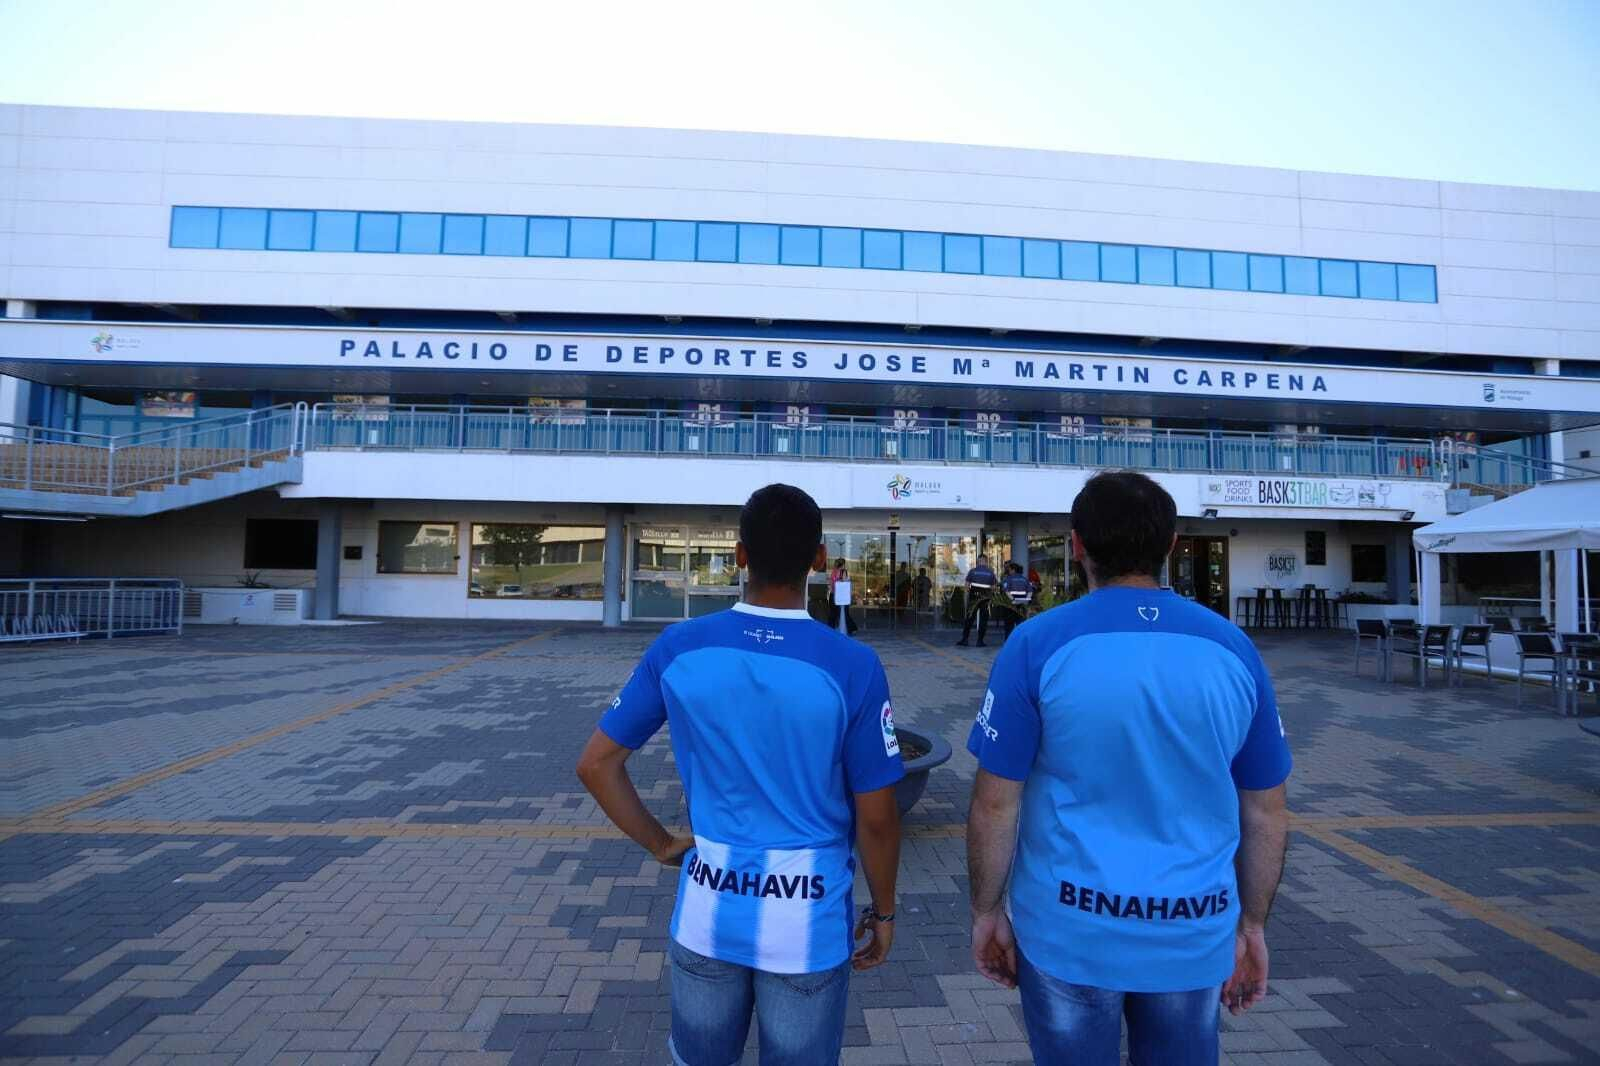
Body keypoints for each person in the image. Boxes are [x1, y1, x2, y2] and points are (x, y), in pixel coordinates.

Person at [964, 471, 1292, 1066]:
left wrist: (987, 911)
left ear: (1077, 546)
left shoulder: (1038, 644)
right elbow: (1265, 809)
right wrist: (1252, 924)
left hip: (1068, 929)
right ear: (1169, 547)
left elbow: (995, 803)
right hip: (1191, 931)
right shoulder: (1232, 649)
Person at [577, 484, 903, 1066]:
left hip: (708, 909)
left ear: (739, 555)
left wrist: (660, 843)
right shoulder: (852, 664)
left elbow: (597, 764)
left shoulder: (679, 646)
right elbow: (877, 818)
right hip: (806, 920)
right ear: (820, 560)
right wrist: (883, 912)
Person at [957, 553, 996, 647]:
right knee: (983, 619)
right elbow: (994, 587)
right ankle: (980, 641)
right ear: (986, 561)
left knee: (969, 618)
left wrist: (967, 596)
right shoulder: (991, 572)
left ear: (978, 561)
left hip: (973, 596)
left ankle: (965, 639)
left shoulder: (972, 571)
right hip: (985, 598)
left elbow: (966, 586)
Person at [999, 562, 1033, 638]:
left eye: (1009, 569)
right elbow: (1030, 592)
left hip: (1010, 605)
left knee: (1009, 626)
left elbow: (1006, 591)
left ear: (1013, 570)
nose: (1008, 571)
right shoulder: (1025, 579)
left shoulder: (1008, 579)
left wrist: (1013, 599)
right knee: (1020, 624)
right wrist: (1026, 600)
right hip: (1022, 604)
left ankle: (1008, 642)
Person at [829, 557, 857, 635]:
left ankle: (832, 629)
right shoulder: (840, 572)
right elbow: (842, 582)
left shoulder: (837, 572)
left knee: (835, 613)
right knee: (840, 613)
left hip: (835, 594)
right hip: (838, 595)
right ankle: (850, 628)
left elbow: (834, 583)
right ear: (843, 564)